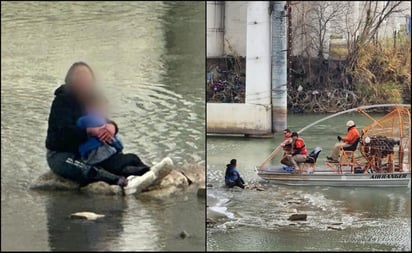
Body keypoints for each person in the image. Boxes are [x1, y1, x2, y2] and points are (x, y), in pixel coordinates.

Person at [46, 62, 150, 188]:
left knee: (122, 160)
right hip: (62, 153)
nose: (84, 83)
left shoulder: (91, 98)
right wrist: (89, 131)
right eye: (80, 79)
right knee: (87, 169)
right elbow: (63, 133)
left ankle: (145, 172)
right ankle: (122, 182)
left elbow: (102, 120)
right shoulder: (62, 101)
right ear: (70, 81)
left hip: (91, 152)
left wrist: (112, 127)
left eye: (87, 79)